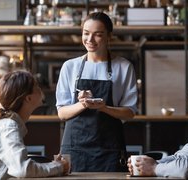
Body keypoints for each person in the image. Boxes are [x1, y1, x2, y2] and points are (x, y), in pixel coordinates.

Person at [56, 12, 137, 172]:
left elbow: (129, 113)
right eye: (86, 34)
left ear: (109, 36)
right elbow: (62, 113)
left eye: (98, 35)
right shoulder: (69, 67)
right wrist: (82, 104)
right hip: (75, 150)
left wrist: (103, 107)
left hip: (110, 150)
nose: (90, 40)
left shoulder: (123, 66)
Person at [0, 70, 69, 180]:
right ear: (28, 98)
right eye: (36, 87)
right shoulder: (7, 126)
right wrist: (59, 167)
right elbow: (22, 168)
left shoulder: (4, 123)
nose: (40, 89)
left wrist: (53, 164)